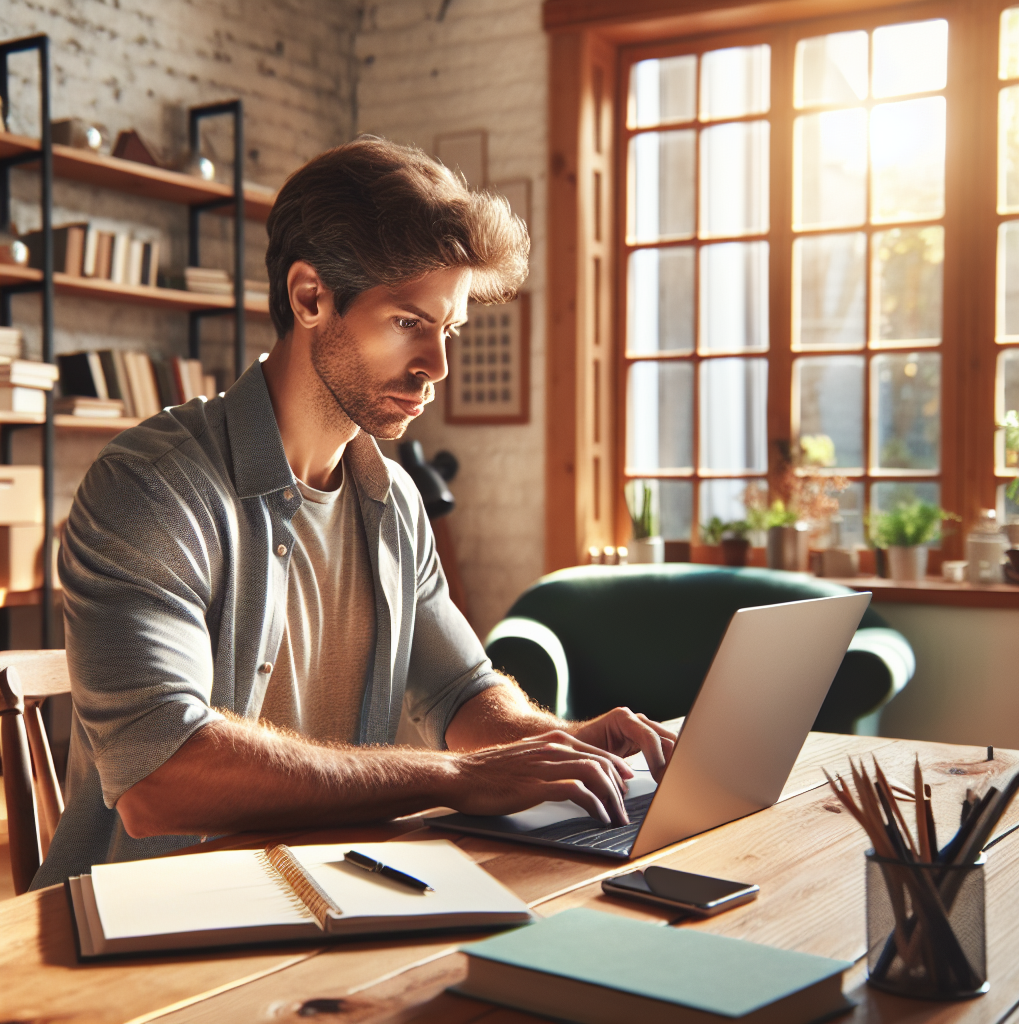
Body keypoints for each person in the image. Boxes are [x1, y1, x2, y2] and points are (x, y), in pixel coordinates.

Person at [32, 138, 675, 889]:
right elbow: (160, 780)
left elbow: (460, 693)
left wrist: (567, 743)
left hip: (331, 895)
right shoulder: (151, 487)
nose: (438, 365)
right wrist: (452, 777)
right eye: (409, 322)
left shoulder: (395, 501)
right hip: (147, 928)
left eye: (449, 330)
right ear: (311, 298)